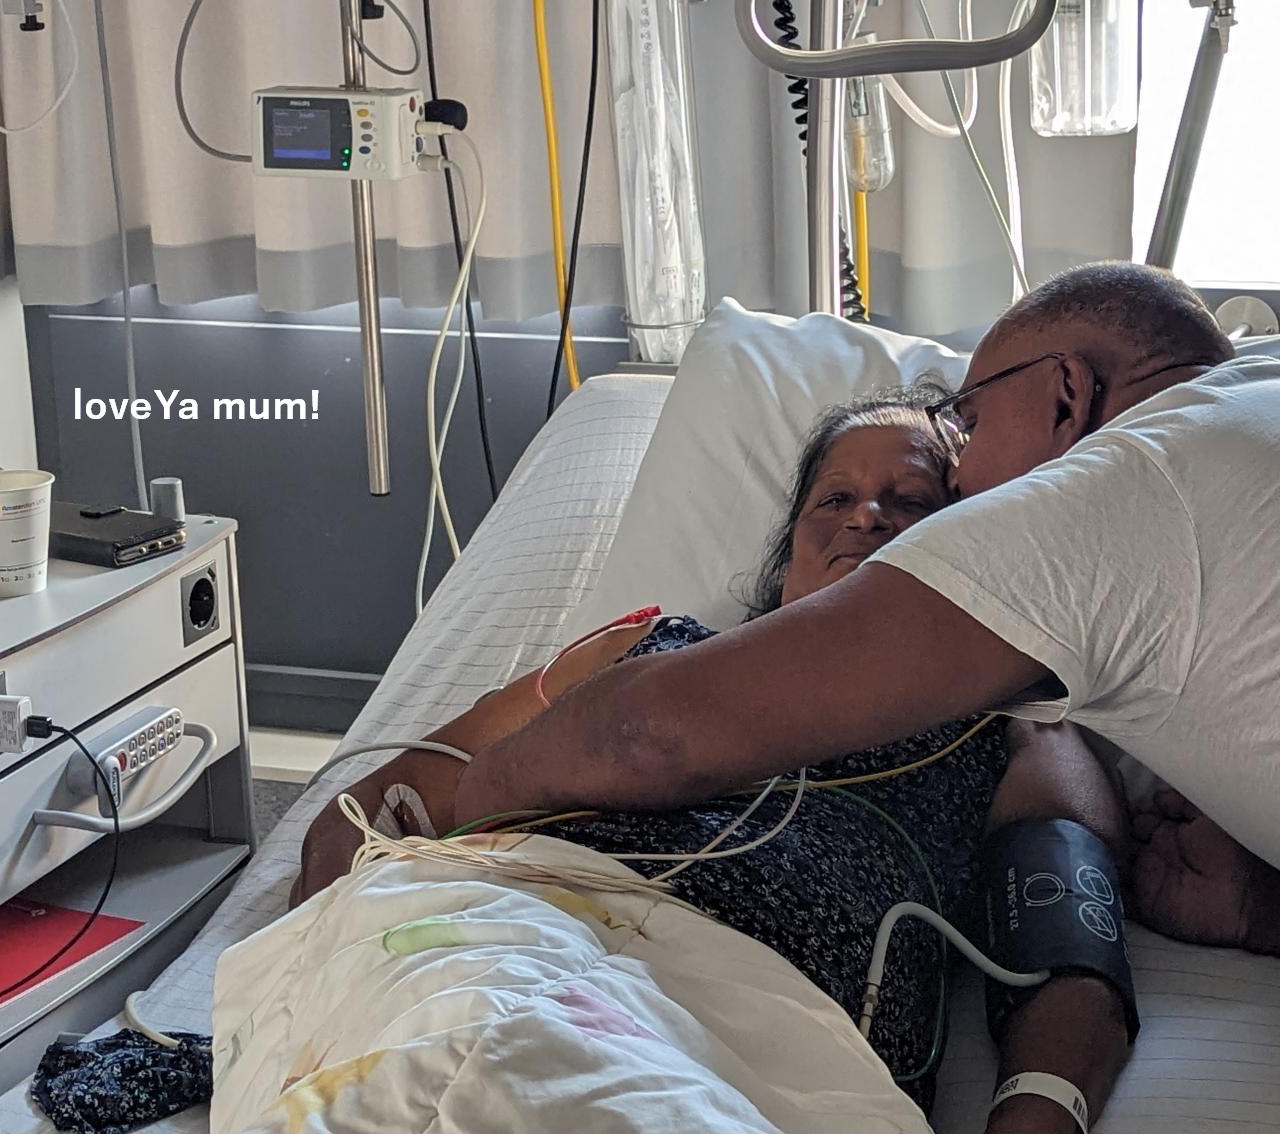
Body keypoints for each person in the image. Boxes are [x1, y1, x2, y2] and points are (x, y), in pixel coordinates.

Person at [444, 261, 1280, 1091]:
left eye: (963, 432)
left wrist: (430, 825)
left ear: (1062, 396)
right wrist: (1267, 918)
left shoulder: (1113, 491)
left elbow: (654, 738)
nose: (952, 484)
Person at [298, 387, 1137, 1130]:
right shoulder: (647, 649)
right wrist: (328, 967)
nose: (865, 517)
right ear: (787, 554)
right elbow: (385, 802)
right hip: (498, 943)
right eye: (835, 498)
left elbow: (1072, 960)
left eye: (911, 500)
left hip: (761, 1035)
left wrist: (1037, 1117)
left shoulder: (1006, 724)